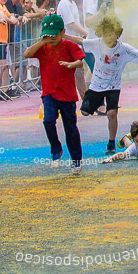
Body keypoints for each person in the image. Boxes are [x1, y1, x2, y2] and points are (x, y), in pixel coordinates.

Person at [76, 15, 138, 154]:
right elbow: (81, 41)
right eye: (105, 35)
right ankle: (96, 102)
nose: (108, 38)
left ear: (117, 34)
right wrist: (62, 36)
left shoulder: (123, 48)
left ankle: (111, 143)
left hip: (113, 87)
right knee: (85, 112)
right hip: (96, 86)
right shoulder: (97, 43)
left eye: (110, 34)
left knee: (112, 113)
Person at [23, 14, 86, 174]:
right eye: (48, 34)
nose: (51, 38)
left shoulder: (69, 45)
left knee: (70, 127)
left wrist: (72, 64)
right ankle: (56, 150)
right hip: (49, 92)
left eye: (54, 35)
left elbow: (80, 61)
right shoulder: (43, 47)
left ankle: (76, 161)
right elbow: (27, 54)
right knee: (48, 121)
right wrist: (42, 41)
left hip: (67, 94)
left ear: (62, 32)